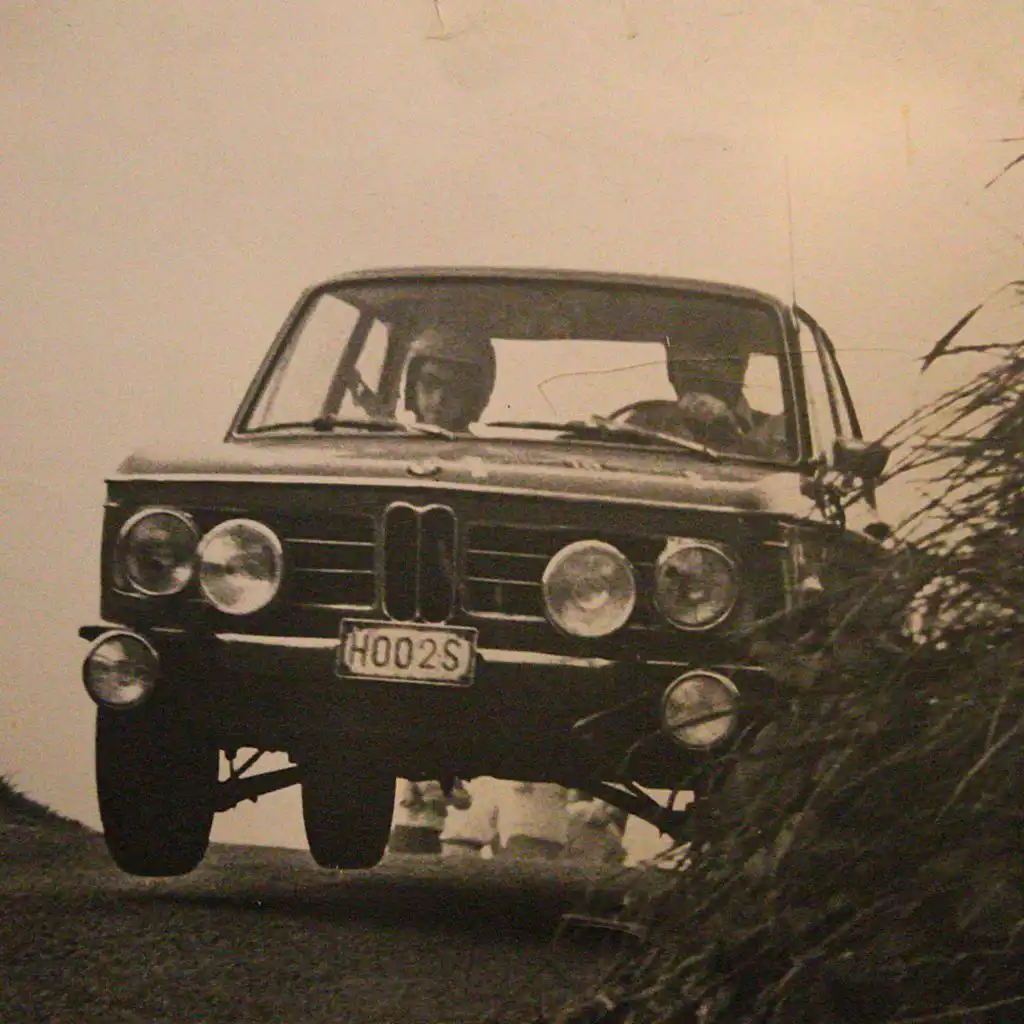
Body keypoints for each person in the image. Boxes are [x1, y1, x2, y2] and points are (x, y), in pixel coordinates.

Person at [403, 325, 497, 433]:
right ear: (413, 387)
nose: (439, 399)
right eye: (429, 384)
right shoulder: (397, 441)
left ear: (474, 397)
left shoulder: (480, 445)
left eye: (454, 389)